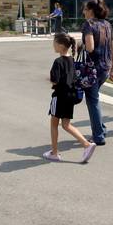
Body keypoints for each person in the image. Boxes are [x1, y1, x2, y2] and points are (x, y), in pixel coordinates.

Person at [43, 33, 97, 163]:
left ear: (61, 45)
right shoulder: (72, 60)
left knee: (54, 124)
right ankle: (86, 144)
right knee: (66, 124)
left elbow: (55, 81)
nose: (53, 45)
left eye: (54, 43)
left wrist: (49, 79)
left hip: (59, 96)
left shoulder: (58, 62)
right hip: (70, 96)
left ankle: (55, 152)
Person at [80, 0, 113, 146]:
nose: (83, 12)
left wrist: (81, 44)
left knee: (92, 101)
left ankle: (98, 136)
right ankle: (101, 128)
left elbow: (90, 47)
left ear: (91, 11)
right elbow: (112, 45)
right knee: (95, 98)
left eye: (85, 9)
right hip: (105, 67)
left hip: (92, 69)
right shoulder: (107, 24)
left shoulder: (89, 24)